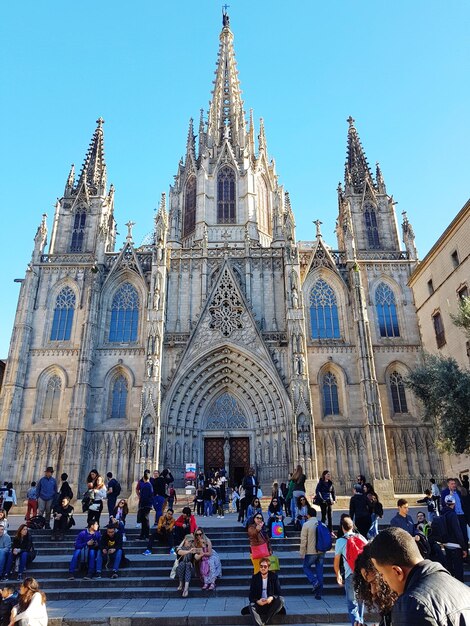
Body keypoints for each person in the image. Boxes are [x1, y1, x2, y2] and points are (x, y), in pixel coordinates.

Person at [370, 526, 470, 625]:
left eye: (382, 574)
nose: (383, 580)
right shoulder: (462, 589)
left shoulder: (411, 605)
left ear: (397, 572)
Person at [353, 543, 397, 626]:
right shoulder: (390, 608)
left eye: (375, 582)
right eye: (369, 585)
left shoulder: (406, 607)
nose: (373, 591)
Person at [333, 515, 366, 626]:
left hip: (349, 574)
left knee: (352, 603)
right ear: (353, 526)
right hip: (362, 573)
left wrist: (338, 575)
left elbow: (336, 561)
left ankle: (356, 621)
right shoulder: (361, 537)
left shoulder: (340, 541)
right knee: (361, 600)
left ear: (342, 528)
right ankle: (360, 621)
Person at [246, 557, 285, 626]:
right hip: (260, 604)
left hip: (271, 605)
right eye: (261, 566)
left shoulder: (274, 577)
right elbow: (251, 595)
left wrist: (271, 598)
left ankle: (265, 621)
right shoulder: (255, 577)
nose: (263, 568)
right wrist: (258, 601)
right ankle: (259, 625)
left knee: (281, 600)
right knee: (251, 605)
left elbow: (279, 593)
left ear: (268, 567)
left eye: (265, 566)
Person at [441, 494, 467, 581]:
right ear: (454, 504)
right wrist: (464, 548)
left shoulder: (442, 513)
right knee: (458, 569)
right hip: (455, 545)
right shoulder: (453, 515)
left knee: (450, 568)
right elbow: (458, 532)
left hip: (446, 544)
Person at [299, 507, 324, 600]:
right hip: (321, 551)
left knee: (306, 567)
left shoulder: (306, 525)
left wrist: (302, 552)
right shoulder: (322, 524)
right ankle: (319, 594)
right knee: (319, 571)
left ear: (308, 514)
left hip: (311, 551)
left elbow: (303, 540)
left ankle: (314, 582)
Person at [441, 477, 468, 547]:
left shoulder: (458, 492)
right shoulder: (445, 493)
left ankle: (466, 554)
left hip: (462, 515)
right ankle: (461, 551)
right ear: (448, 485)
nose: (454, 485)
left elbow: (463, 504)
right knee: (457, 535)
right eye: (452, 484)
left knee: (465, 535)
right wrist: (450, 496)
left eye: (454, 483)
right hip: (453, 516)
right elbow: (443, 504)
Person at [175, 533, 195, 598]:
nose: (190, 543)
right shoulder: (179, 548)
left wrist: (199, 554)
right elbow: (180, 552)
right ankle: (181, 583)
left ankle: (186, 588)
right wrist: (189, 551)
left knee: (188, 564)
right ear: (185, 540)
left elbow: (196, 557)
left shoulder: (192, 548)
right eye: (189, 541)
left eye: (191, 541)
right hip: (180, 568)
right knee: (182, 564)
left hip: (190, 569)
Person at [137, 473, 153, 540]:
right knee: (144, 520)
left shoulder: (146, 486)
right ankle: (143, 535)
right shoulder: (149, 485)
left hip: (145, 505)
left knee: (145, 520)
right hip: (147, 505)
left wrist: (141, 505)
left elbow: (144, 497)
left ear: (144, 478)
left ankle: (145, 535)